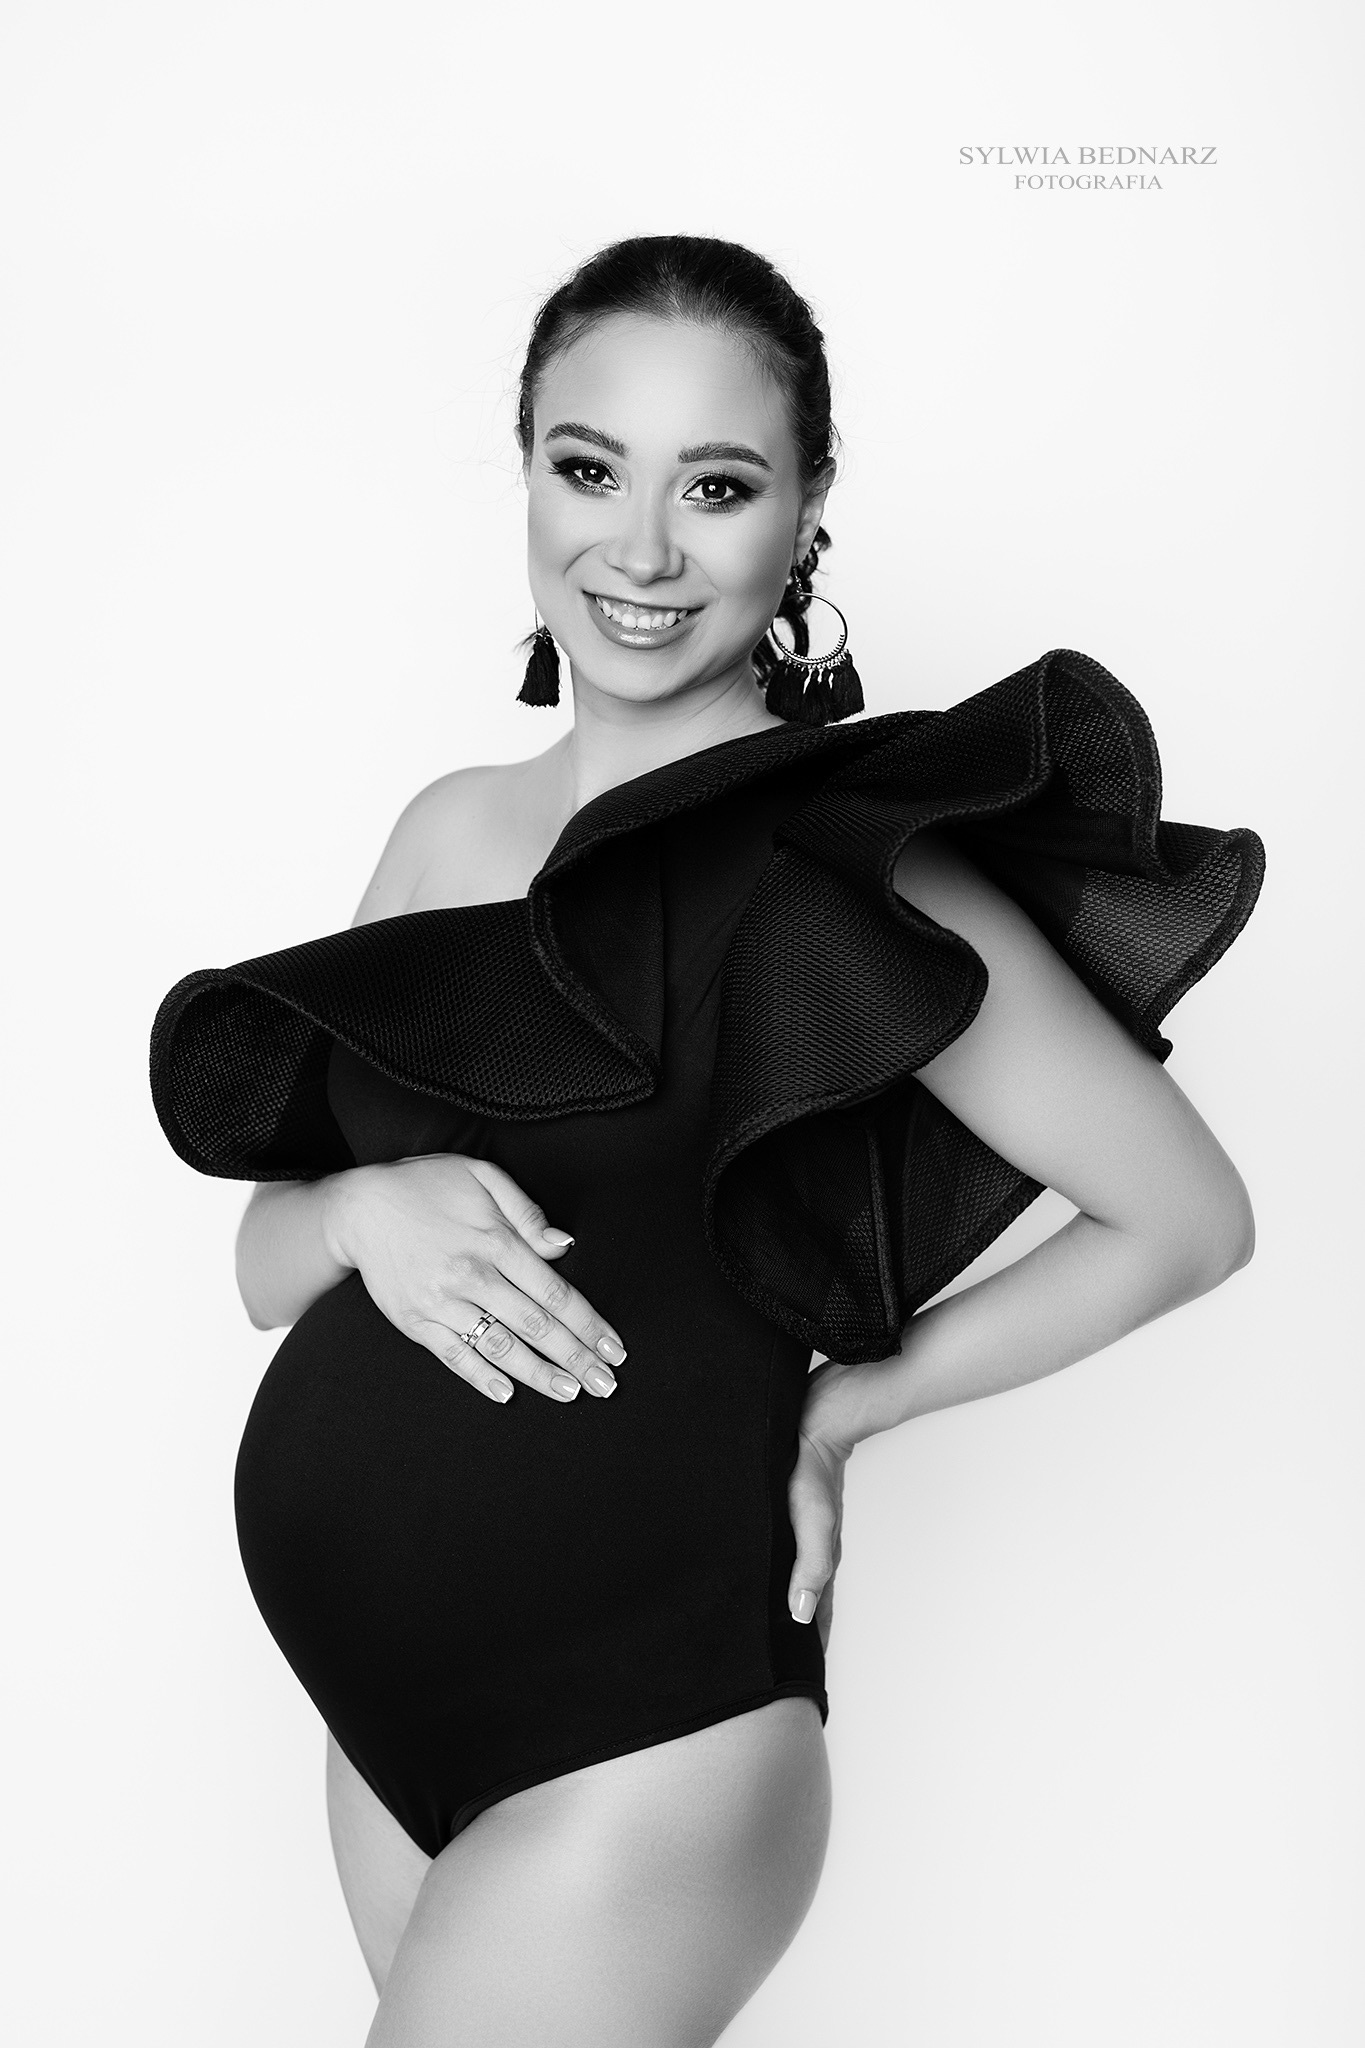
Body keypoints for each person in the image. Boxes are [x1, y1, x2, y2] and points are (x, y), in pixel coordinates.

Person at [150, 234, 1264, 2047]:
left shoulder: (846, 866)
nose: (643, 550)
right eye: (590, 468)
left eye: (718, 486)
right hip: (377, 1721)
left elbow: (1185, 1218)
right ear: (526, 471)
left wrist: (846, 1409)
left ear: (806, 508)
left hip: (641, 1728)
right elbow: (265, 1267)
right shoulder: (445, 829)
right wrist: (363, 1212)